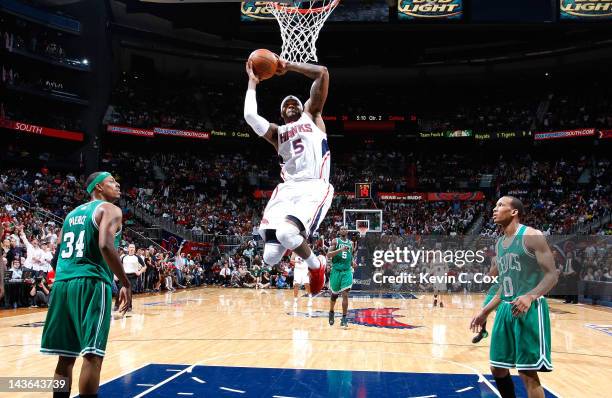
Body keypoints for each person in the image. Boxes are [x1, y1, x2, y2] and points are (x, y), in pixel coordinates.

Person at [244, 55, 332, 294]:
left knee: (285, 232)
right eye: (286, 104)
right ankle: (301, 252)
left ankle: (316, 265)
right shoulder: (277, 133)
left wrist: (288, 65)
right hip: (287, 189)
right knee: (270, 257)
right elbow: (250, 117)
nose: (291, 104)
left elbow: (322, 72)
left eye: (295, 102)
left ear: (302, 107)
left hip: (313, 186)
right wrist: (253, 82)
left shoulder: (312, 116)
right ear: (281, 113)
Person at [40, 171, 132, 398]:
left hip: (62, 284)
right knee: (92, 355)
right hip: (91, 282)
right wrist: (125, 282)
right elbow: (105, 245)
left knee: (65, 357)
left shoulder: (70, 215)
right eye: (112, 181)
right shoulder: (110, 209)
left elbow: (58, 251)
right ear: (98, 188)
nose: (118, 185)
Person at [470, 196, 558, 398]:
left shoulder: (532, 235)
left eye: (500, 205)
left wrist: (530, 296)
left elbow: (552, 275)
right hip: (506, 308)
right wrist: (484, 311)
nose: (494, 209)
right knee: (497, 368)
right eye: (495, 205)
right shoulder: (500, 244)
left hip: (529, 309)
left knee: (527, 373)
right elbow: (503, 285)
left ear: (514, 212)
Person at [326, 226, 354, 328]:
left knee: (345, 294)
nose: (343, 230)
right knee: (334, 295)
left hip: (346, 271)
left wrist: (353, 262)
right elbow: (328, 255)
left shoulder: (351, 243)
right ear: (339, 231)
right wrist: (340, 250)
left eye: (345, 229)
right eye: (341, 229)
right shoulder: (335, 241)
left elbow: (351, 255)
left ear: (347, 231)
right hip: (336, 271)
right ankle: (331, 312)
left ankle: (344, 318)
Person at [472, 261, 499, 344]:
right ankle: (482, 331)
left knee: (501, 314)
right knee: (484, 310)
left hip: (510, 287)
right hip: (496, 287)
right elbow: (491, 275)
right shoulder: (495, 259)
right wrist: (499, 263)